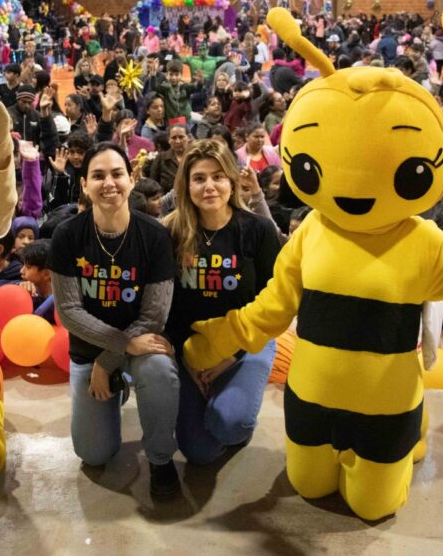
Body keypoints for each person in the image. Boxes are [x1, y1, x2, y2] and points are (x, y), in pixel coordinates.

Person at [49, 142, 180, 497]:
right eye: (98, 175)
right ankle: (117, 389)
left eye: (117, 173)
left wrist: (109, 360)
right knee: (93, 454)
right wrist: (116, 348)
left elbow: (155, 313)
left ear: (131, 179)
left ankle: (160, 460)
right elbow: (69, 312)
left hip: (139, 345)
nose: (109, 183)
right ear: (84, 185)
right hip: (89, 351)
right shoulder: (67, 236)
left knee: (157, 369)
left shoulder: (154, 236)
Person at [163, 140, 280, 465]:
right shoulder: (170, 232)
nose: (209, 186)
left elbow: (273, 301)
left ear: (232, 180)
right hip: (188, 348)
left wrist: (230, 357)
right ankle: (210, 402)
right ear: (187, 185)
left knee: (229, 425)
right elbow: (164, 305)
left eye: (218, 177)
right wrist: (188, 362)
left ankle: (235, 413)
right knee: (199, 452)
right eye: (199, 178)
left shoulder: (258, 229)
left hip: (246, 343)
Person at [19, 239, 55, 323]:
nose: (21, 271)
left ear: (46, 273)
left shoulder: (62, 304)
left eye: (28, 267)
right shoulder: (27, 292)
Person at [147, 125, 189, 194]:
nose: (178, 141)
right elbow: (154, 183)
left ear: (188, 138)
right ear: (169, 140)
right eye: (174, 138)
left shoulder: (194, 157)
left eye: (181, 137)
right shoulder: (161, 158)